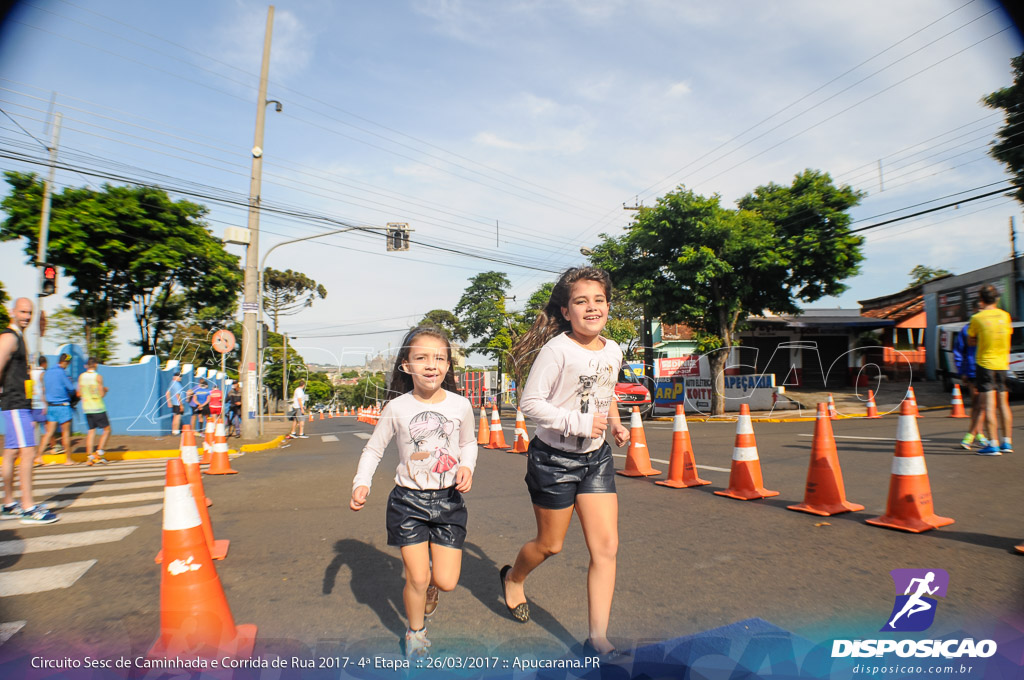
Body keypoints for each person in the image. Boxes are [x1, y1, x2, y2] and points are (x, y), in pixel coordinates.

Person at [501, 267, 630, 657]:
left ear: (608, 306)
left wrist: (615, 423)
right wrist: (579, 422)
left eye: (598, 300)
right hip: (553, 460)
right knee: (550, 545)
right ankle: (513, 577)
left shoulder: (614, 349)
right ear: (566, 311)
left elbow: (604, 394)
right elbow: (529, 405)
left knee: (606, 547)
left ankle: (598, 639)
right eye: (581, 301)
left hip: (595, 459)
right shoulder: (556, 350)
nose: (592, 308)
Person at [350, 326, 477, 658]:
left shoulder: (461, 406)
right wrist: (361, 482)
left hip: (449, 501)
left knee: (446, 581)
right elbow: (374, 450)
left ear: (449, 365)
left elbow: (468, 443)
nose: (431, 365)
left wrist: (467, 466)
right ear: (406, 365)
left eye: (439, 358)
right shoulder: (397, 408)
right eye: (421, 358)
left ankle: (433, 587)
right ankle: (415, 632)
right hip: (408, 502)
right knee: (417, 578)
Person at [0, 298, 58, 524]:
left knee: (12, 452)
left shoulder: (20, 337)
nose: (26, 316)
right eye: (22, 311)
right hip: (14, 404)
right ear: (12, 311)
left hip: (18, 403)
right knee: (28, 452)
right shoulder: (9, 337)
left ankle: (9, 503)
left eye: (29, 312)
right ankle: (28, 507)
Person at [968, 284, 1013, 455]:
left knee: (989, 405)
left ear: (980, 300)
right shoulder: (1005, 316)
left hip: (985, 364)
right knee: (1003, 404)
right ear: (997, 299)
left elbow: (971, 340)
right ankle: (1007, 442)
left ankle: (993, 444)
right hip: (1003, 364)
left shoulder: (977, 318)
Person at [953, 321, 989, 450]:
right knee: (977, 405)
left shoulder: (990, 325)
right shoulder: (966, 329)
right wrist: (962, 371)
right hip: (973, 370)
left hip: (989, 368)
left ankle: (974, 435)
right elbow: (958, 351)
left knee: (982, 405)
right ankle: (978, 434)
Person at [37, 353, 77, 466]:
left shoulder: (47, 372)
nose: (68, 365)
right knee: (65, 434)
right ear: (65, 362)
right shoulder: (61, 373)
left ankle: (38, 456)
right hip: (63, 407)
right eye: (68, 363)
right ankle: (68, 459)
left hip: (51, 406)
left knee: (49, 433)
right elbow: (70, 388)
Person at [78, 357, 111, 465]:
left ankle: (89, 457)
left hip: (87, 408)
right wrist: (105, 390)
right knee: (107, 430)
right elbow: (101, 394)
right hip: (98, 407)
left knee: (91, 431)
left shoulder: (81, 377)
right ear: (96, 365)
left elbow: (79, 393)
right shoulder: (98, 377)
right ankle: (99, 453)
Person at [29, 355, 47, 463]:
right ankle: (38, 454)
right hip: (40, 403)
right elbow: (44, 389)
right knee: (47, 429)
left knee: (33, 429)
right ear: (44, 363)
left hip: (32, 402)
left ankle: (33, 453)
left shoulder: (31, 372)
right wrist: (45, 404)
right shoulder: (42, 373)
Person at [166, 369, 185, 435]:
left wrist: (169, 402)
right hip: (178, 403)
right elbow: (178, 395)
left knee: (175, 417)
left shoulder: (171, 383)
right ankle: (176, 432)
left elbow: (167, 393)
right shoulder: (177, 384)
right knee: (178, 417)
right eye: (180, 377)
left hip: (174, 403)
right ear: (176, 377)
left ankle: (174, 431)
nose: (181, 378)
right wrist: (181, 405)